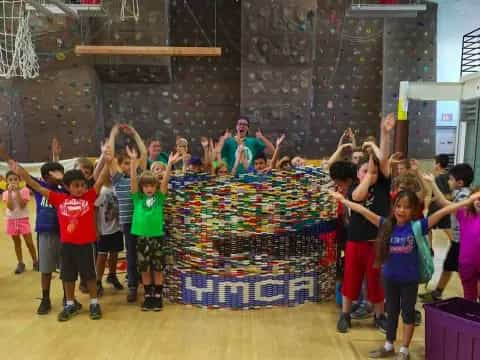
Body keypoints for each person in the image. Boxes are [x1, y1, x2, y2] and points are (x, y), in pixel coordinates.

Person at [330, 189, 480, 360]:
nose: (401, 210)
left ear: (414, 210)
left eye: (407, 207)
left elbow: (444, 211)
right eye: (398, 206)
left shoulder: (418, 226)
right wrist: (343, 199)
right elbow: (363, 211)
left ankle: (404, 350)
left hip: (409, 281)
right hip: (389, 278)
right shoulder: (387, 225)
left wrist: (468, 201)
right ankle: (388, 345)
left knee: (407, 313)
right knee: (392, 312)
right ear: (394, 207)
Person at [11, 145, 113, 321]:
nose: (80, 188)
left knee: (89, 275)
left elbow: (101, 179)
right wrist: (22, 173)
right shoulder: (59, 198)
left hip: (85, 245)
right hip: (67, 245)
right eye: (75, 186)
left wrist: (108, 162)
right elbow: (36, 185)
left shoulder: (89, 197)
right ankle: (70, 304)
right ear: (66, 187)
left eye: (82, 185)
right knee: (67, 276)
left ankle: (94, 303)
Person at [336, 113, 396, 334]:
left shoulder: (383, 183)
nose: (369, 171)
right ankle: (345, 314)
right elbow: (359, 198)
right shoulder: (354, 188)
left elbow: (384, 159)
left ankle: (379, 315)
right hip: (356, 241)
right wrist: (368, 175)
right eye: (363, 170)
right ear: (358, 174)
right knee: (351, 279)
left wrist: (385, 133)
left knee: (376, 282)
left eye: (371, 169)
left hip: (377, 241)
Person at [127, 146, 179, 311]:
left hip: (156, 237)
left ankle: (157, 296)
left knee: (157, 267)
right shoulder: (137, 198)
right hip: (142, 238)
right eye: (146, 186)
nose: (149, 188)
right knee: (144, 268)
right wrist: (134, 162)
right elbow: (133, 182)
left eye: (152, 186)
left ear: (155, 187)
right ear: (142, 188)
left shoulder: (159, 197)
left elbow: (165, 181)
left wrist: (169, 164)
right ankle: (148, 295)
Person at [420, 163, 474, 302]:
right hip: (458, 241)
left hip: (465, 243)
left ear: (460, 182)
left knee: (466, 274)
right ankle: (437, 292)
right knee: (448, 266)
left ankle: (471, 299)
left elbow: (445, 204)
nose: (449, 182)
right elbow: (443, 199)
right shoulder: (459, 193)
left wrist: (433, 183)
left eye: (451, 179)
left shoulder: (465, 196)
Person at [108, 124, 148, 303]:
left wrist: (136, 133)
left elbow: (144, 153)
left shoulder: (139, 176)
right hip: (128, 223)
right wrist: (113, 134)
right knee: (131, 254)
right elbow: (108, 157)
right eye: (125, 163)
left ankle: (146, 284)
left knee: (145, 253)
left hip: (143, 221)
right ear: (120, 165)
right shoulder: (117, 179)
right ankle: (132, 286)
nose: (129, 165)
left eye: (131, 162)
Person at [2, 171, 38, 274]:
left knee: (29, 242)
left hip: (23, 219)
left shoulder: (25, 190)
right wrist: (9, 192)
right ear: (7, 181)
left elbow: (22, 205)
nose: (13, 182)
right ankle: (20, 263)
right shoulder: (5, 193)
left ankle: (35, 261)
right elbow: (11, 207)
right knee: (17, 243)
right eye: (10, 180)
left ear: (19, 180)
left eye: (15, 179)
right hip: (11, 220)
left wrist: (17, 191)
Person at [94, 176, 124, 297]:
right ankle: (98, 281)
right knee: (102, 255)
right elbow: (94, 209)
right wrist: (96, 229)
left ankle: (112, 275)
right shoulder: (101, 190)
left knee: (115, 253)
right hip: (104, 230)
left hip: (117, 227)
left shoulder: (117, 186)